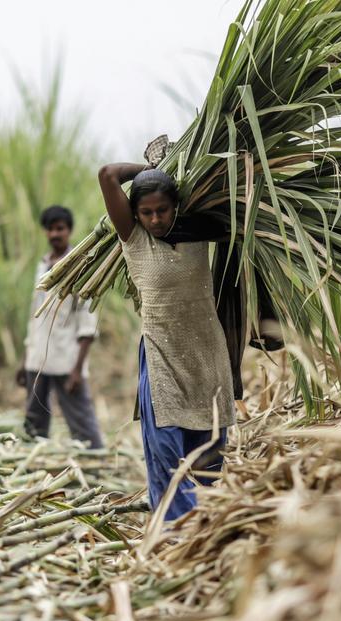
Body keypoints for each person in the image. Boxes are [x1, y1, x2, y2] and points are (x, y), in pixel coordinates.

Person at [97, 163, 235, 521]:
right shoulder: (134, 239)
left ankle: (207, 526)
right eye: (146, 212)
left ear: (176, 206)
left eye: (162, 210)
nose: (155, 219)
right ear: (135, 213)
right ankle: (177, 532)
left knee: (207, 457)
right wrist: (153, 167)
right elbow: (107, 175)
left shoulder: (200, 230)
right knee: (166, 453)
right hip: (162, 357)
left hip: (207, 356)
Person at [17, 205, 104, 449]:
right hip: (37, 358)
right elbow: (35, 318)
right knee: (34, 421)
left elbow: (87, 323)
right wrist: (25, 359)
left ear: (69, 230)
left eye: (60, 229)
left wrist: (78, 369)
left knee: (82, 421)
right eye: (50, 229)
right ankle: (33, 462)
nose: (55, 234)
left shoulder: (79, 267)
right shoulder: (42, 266)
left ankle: (96, 462)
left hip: (66, 359)